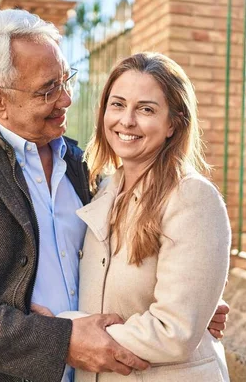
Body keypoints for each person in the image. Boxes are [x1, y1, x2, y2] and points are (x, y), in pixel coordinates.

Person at [0, 9, 228, 382]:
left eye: (66, 80)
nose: (67, 98)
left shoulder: (84, 167)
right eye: (47, 90)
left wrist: (191, 300)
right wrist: (62, 342)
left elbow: (125, 265)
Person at [40, 53, 231, 381]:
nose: (126, 121)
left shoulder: (192, 197)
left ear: (174, 122)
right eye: (117, 104)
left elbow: (175, 331)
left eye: (146, 109)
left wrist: (67, 334)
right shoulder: (103, 190)